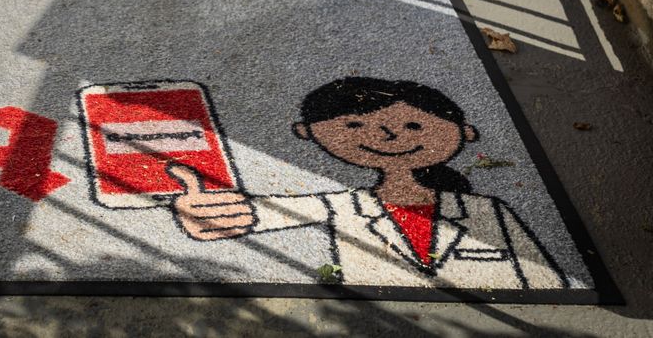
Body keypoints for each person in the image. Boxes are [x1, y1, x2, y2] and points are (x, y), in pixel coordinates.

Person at [168, 77, 568, 289]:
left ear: (466, 133)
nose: (389, 136)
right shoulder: (342, 206)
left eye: (415, 126)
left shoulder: (488, 212)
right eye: (355, 126)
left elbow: (548, 281)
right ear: (307, 132)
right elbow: (267, 213)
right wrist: (211, 212)